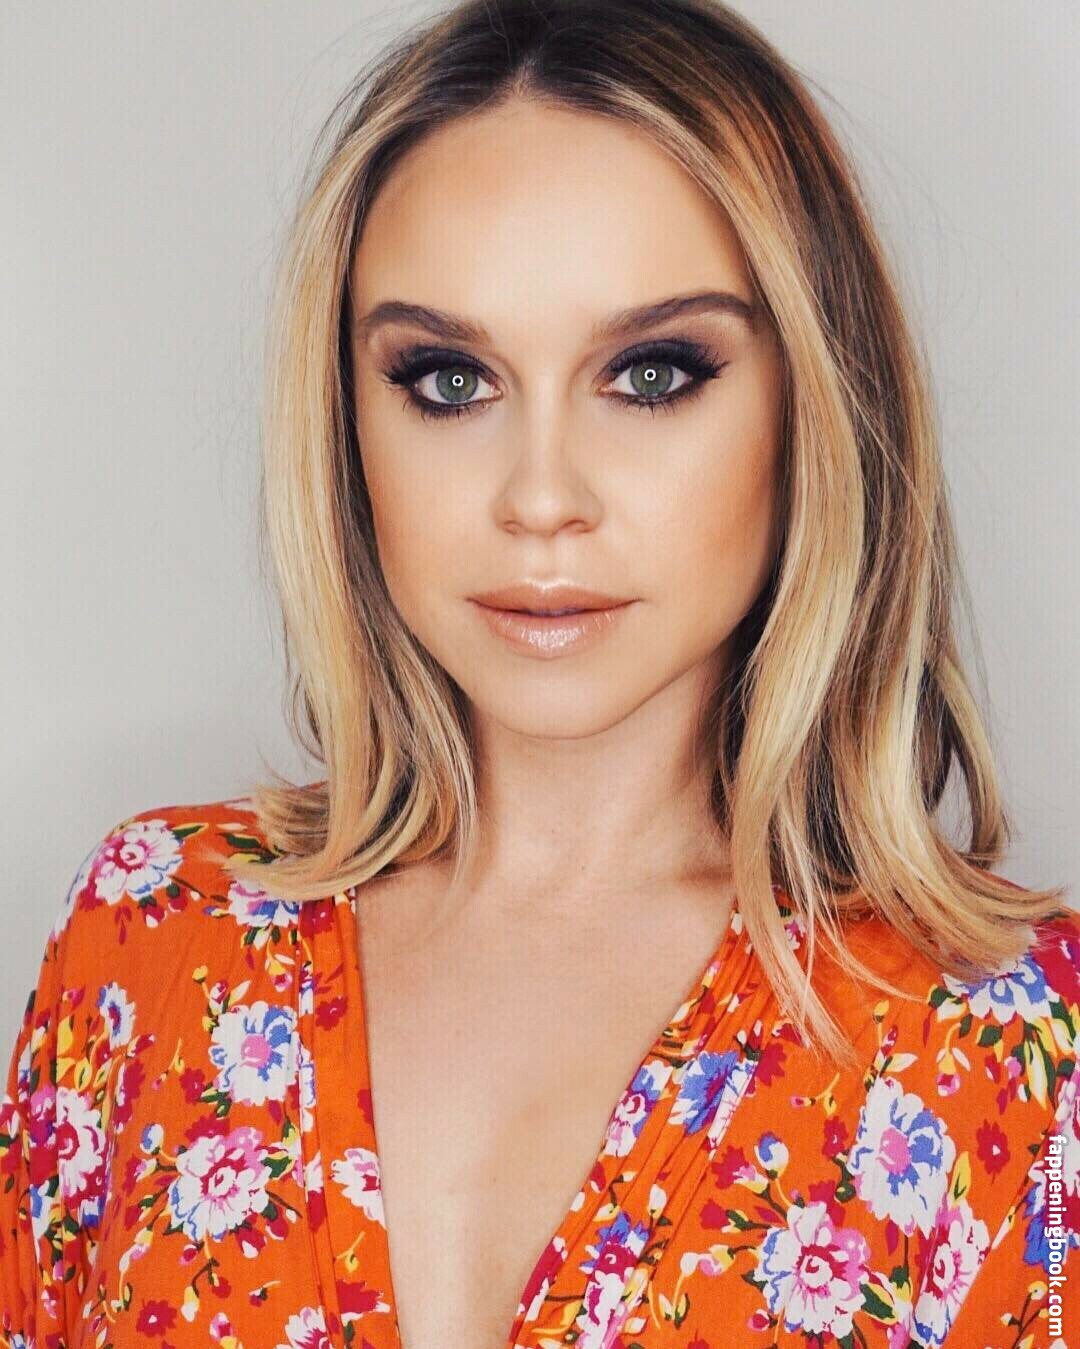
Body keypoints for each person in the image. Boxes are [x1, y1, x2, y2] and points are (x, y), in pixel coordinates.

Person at [2, 1, 1077, 1346]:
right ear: (346, 418)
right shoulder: (152, 934)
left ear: (811, 399)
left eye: (652, 373)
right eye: (450, 381)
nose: (541, 497)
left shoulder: (1005, 1049)